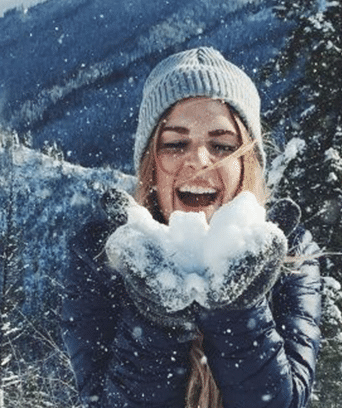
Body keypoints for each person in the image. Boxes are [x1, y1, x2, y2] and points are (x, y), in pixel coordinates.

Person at [61, 46, 322, 408]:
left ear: (247, 161)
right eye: (175, 143)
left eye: (221, 144)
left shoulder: (288, 251)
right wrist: (156, 317)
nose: (198, 160)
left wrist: (238, 307)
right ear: (150, 163)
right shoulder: (102, 255)